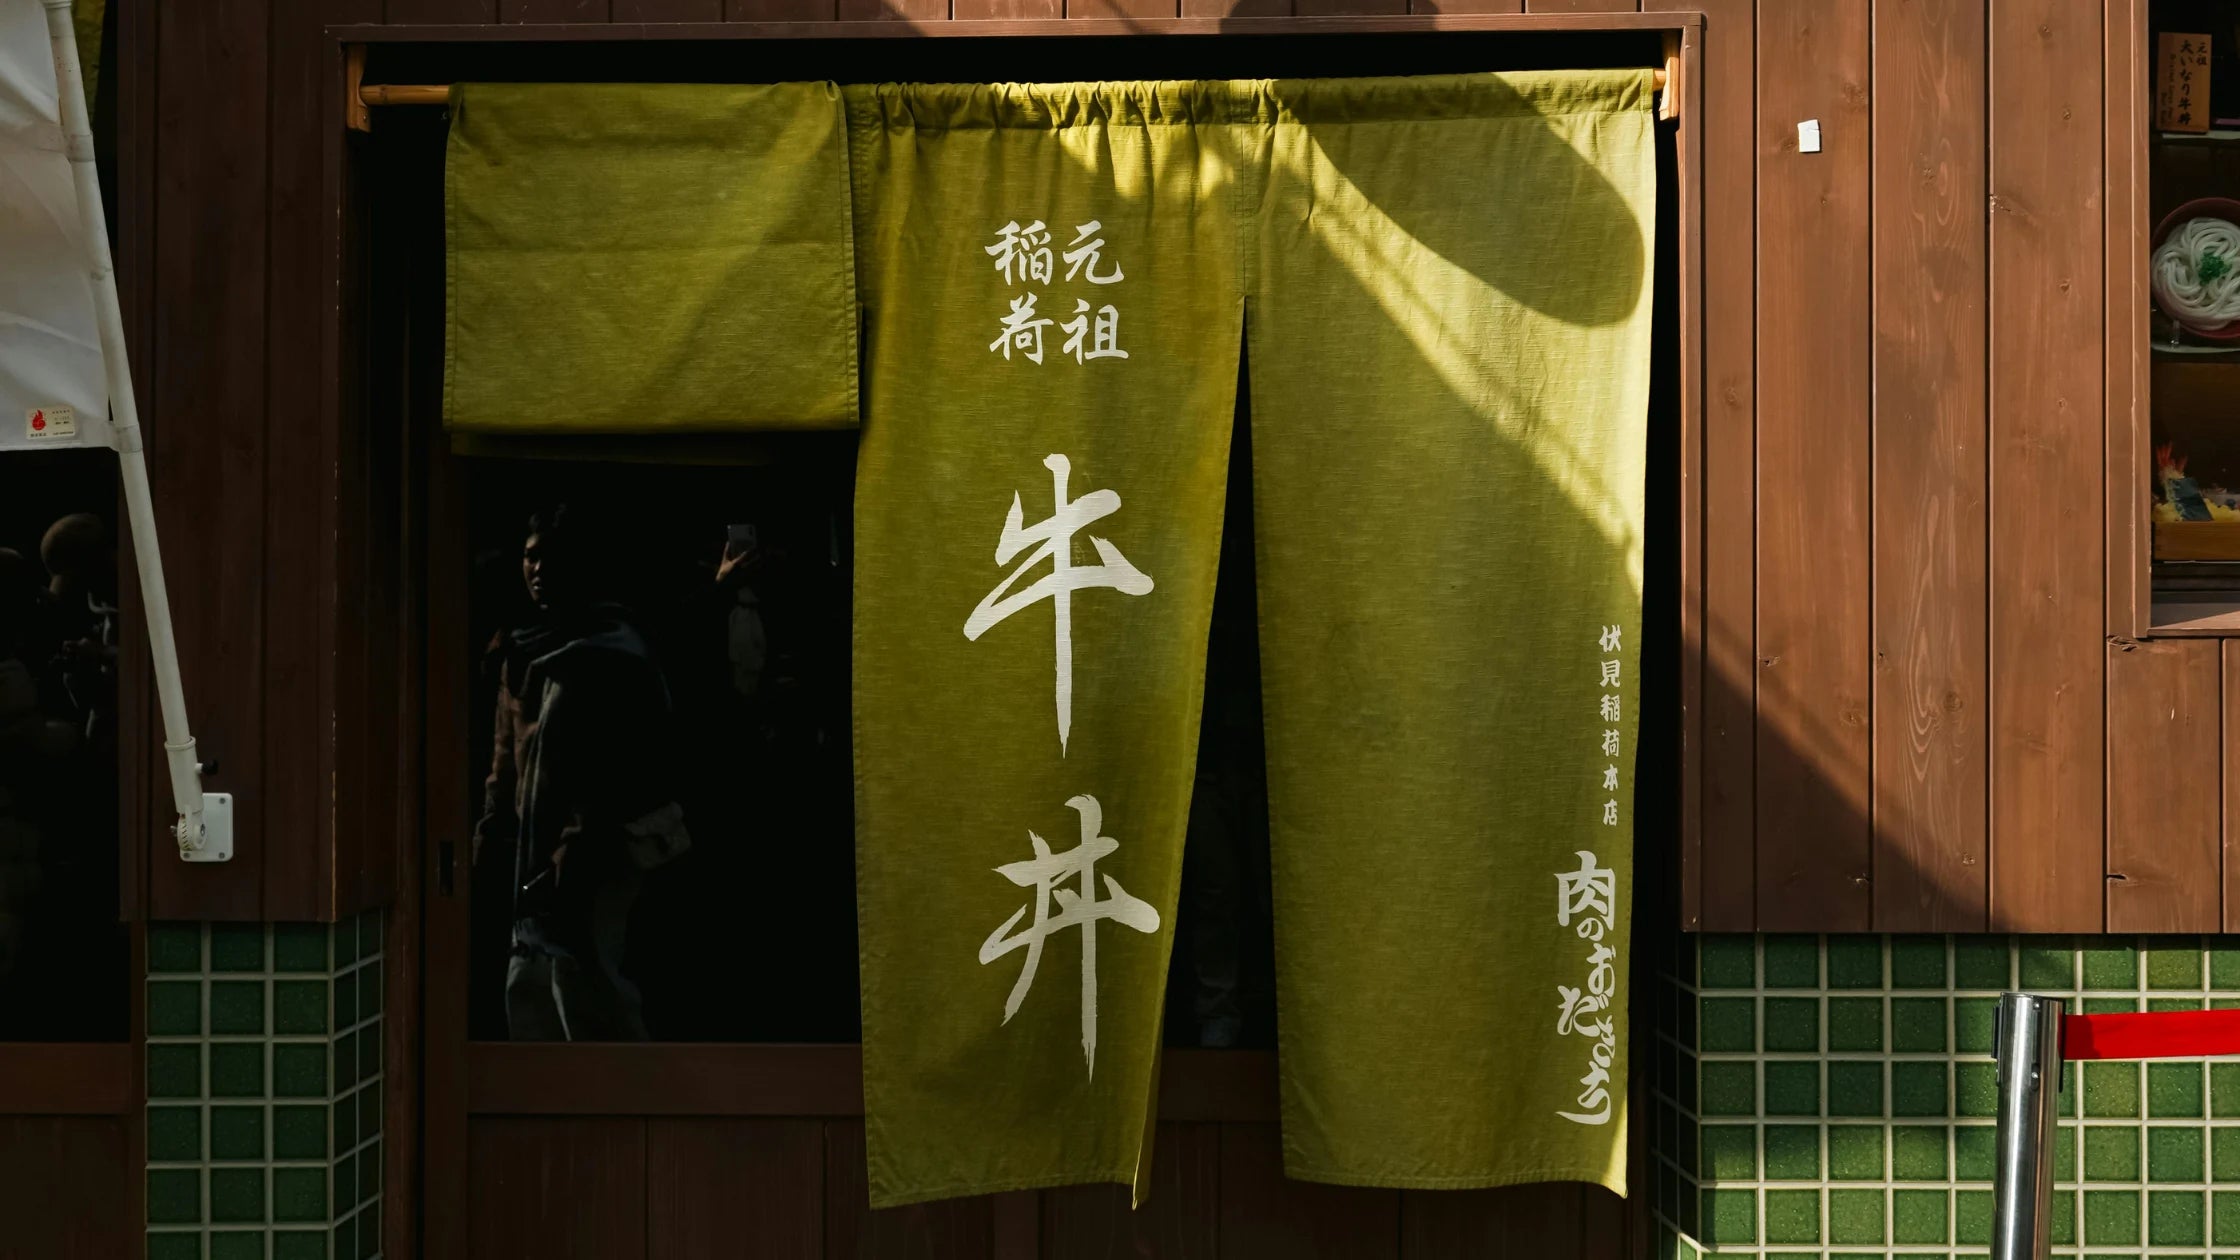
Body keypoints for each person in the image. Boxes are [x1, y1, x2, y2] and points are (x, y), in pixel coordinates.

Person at [472, 505, 687, 1042]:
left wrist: (575, 842)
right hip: (533, 848)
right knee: (531, 982)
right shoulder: (518, 648)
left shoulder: (615, 648)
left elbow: (628, 760)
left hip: (603, 848)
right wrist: (493, 826)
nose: (539, 569)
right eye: (531, 556)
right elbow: (505, 756)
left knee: (589, 982)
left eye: (553, 557)